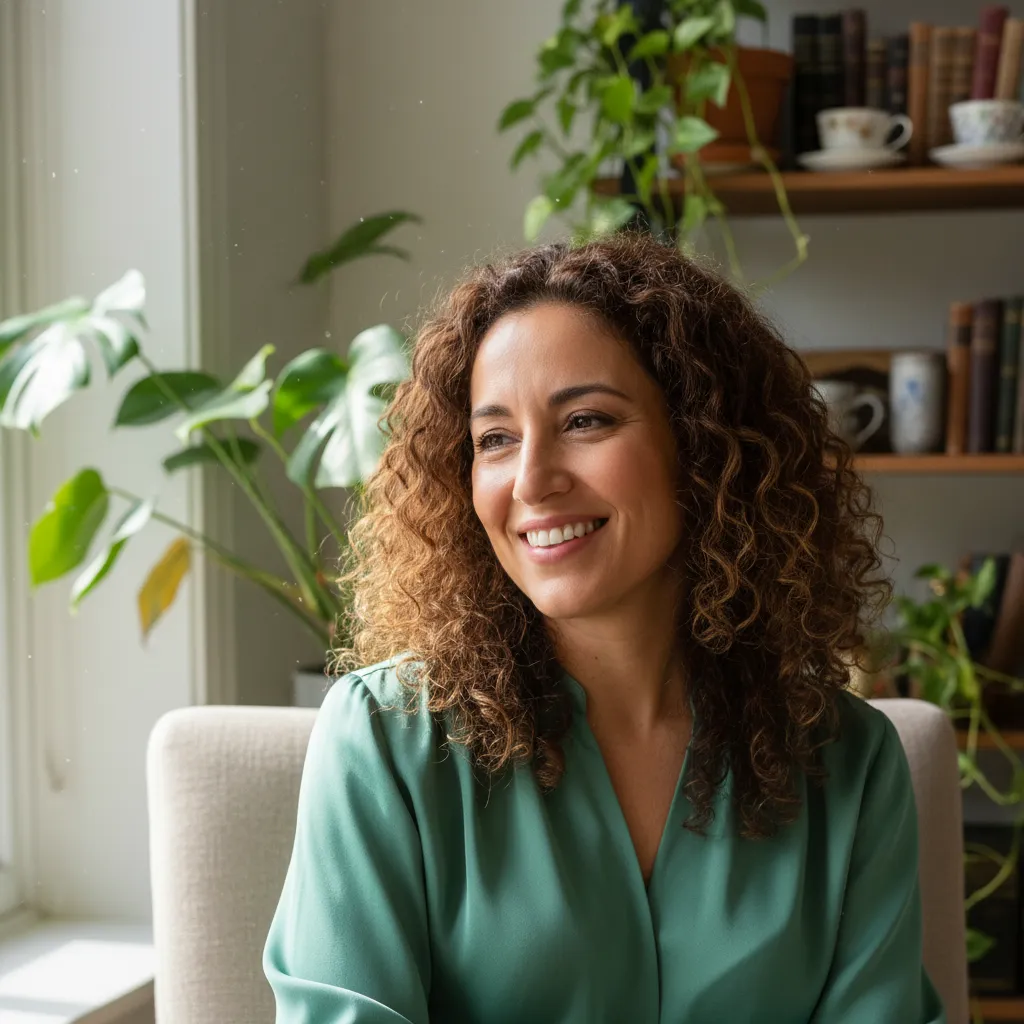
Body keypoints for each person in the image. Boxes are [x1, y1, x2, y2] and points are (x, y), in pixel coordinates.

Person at [263, 232, 945, 1023]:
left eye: (585, 420)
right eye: (494, 440)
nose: (532, 480)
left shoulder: (847, 765)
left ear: (703, 444)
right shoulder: (384, 742)